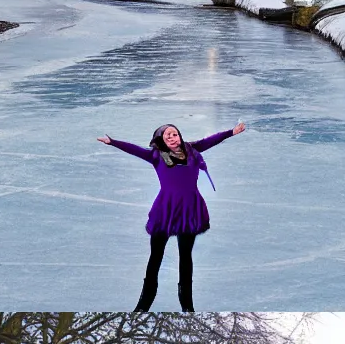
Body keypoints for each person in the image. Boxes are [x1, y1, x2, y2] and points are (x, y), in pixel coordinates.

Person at [98, 121, 247, 312]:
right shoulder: (155, 155)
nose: (171, 137)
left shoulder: (192, 149)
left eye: (174, 134)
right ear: (161, 140)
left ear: (179, 136)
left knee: (186, 256)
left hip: (189, 209)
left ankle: (187, 303)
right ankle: (145, 301)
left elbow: (212, 140)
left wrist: (232, 132)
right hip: (166, 210)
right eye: (167, 135)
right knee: (156, 255)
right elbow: (134, 149)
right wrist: (112, 142)